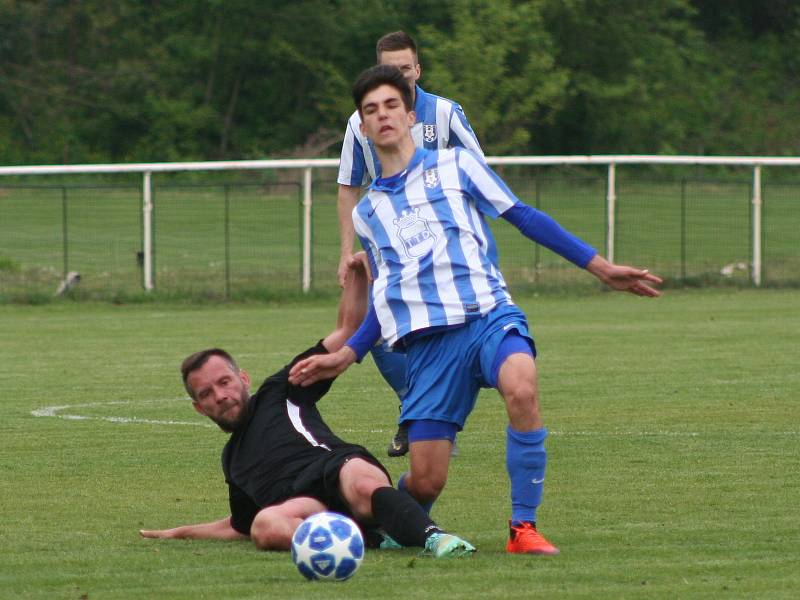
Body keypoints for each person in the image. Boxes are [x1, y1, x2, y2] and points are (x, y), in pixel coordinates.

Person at [289, 65, 663, 555]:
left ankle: (522, 528)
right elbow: (387, 296)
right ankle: (386, 520)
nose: (382, 116)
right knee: (425, 483)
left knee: (522, 386)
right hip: (428, 348)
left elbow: (523, 215)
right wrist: (351, 352)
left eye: (390, 106)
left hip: (488, 315)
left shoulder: (457, 166)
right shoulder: (369, 212)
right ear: (361, 126)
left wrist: (600, 267)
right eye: (370, 110)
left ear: (409, 114)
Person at [139, 255, 475, 559]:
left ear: (243, 378)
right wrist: (181, 532)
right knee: (265, 526)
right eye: (207, 394)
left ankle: (436, 537)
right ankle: (370, 539)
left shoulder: (281, 389)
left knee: (359, 482)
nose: (220, 396)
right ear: (200, 408)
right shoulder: (233, 462)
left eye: (224, 382)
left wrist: (357, 278)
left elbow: (345, 332)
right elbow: (240, 526)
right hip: (308, 507)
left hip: (336, 468)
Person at [338, 30, 484, 457]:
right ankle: (418, 411)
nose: (398, 77)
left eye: (405, 69)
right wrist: (347, 251)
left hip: (443, 252)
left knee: (442, 332)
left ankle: (431, 417)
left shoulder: (445, 114)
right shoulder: (360, 122)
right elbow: (348, 187)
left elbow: (477, 175)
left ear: (418, 69)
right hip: (387, 246)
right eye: (389, 70)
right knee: (380, 328)